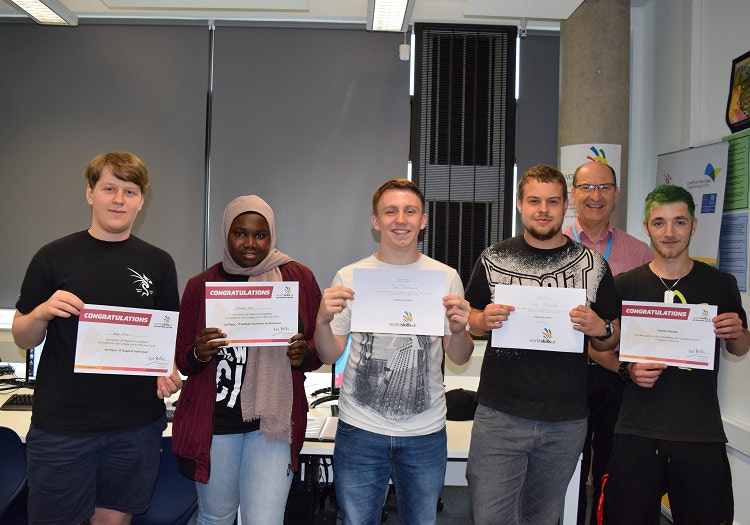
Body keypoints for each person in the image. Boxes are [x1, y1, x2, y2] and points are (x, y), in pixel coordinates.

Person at [12, 151, 182, 525]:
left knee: (113, 521)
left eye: (130, 191)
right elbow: (23, 337)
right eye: (109, 188)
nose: (119, 200)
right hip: (63, 428)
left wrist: (166, 368)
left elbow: (165, 339)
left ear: (141, 200)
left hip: (135, 426)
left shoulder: (159, 263)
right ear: (90, 193)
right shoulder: (52, 257)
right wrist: (41, 312)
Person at [464, 164, 621, 525]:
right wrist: (481, 320)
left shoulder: (594, 265)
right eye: (534, 200)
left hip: (564, 420)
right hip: (500, 415)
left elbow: (612, 336)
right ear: (520, 204)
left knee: (544, 518)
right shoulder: (493, 258)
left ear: (566, 205)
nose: (543, 209)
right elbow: (470, 321)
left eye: (552, 201)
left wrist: (600, 327)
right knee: (490, 518)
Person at [314, 178, 475, 525]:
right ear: (375, 220)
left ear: (424, 219)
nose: (400, 219)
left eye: (410, 211)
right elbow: (329, 354)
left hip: (426, 432)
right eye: (390, 211)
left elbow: (459, 357)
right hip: (360, 429)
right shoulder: (350, 276)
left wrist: (460, 329)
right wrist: (322, 322)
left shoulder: (444, 277)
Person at [171, 195, 322, 524]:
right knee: (215, 517)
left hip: (272, 424)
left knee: (264, 521)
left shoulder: (299, 279)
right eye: (240, 233)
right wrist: (198, 352)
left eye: (260, 234)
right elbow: (183, 359)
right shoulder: (201, 286)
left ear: (272, 236)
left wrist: (305, 353)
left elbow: (318, 347)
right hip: (216, 424)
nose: (251, 243)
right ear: (226, 233)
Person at [603, 184, 749, 524]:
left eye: (679, 222)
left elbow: (739, 346)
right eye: (659, 222)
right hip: (637, 431)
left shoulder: (720, 284)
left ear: (694, 226)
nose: (669, 233)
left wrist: (738, 333)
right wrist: (627, 370)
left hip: (700, 432)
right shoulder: (624, 285)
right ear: (646, 227)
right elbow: (598, 349)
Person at [562, 160, 652, 524]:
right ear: (573, 195)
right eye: (586, 187)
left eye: (604, 188)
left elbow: (644, 322)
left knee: (610, 473)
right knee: (565, 469)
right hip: (564, 376)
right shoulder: (557, 245)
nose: (595, 196)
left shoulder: (639, 252)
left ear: (616, 194)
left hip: (617, 375)